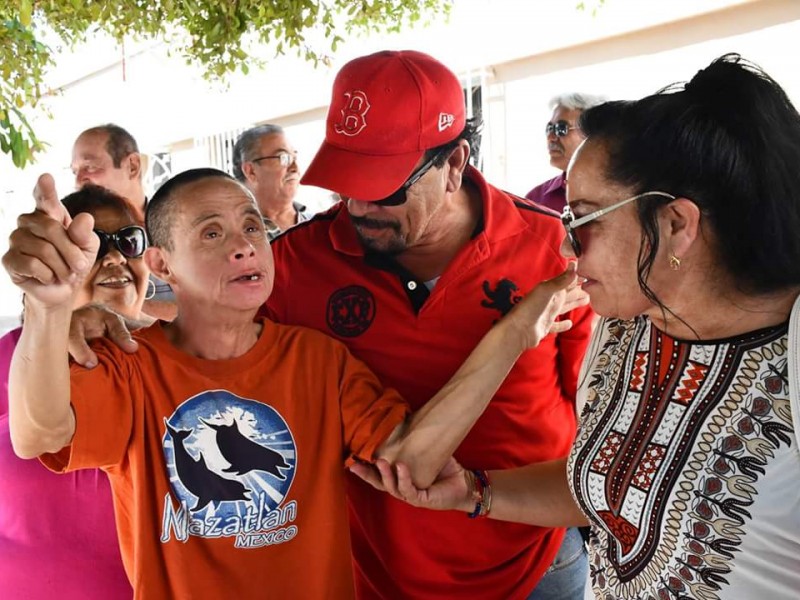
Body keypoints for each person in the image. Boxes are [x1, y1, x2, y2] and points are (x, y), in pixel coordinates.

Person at [4, 168, 586, 599]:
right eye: (211, 233)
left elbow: (415, 462)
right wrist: (50, 308)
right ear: (160, 264)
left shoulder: (318, 361)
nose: (243, 243)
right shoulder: (131, 363)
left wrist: (514, 334)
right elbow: (39, 434)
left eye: (252, 225)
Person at [361, 54, 800, 599]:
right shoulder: (625, 330)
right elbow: (605, 485)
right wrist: (477, 492)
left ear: (675, 223)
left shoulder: (791, 362)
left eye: (585, 219)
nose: (566, 244)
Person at [266, 50, 594, 599]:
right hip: (370, 571)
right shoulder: (293, 264)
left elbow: (590, 406)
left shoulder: (554, 250)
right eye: (347, 182)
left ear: (456, 163)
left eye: (387, 187)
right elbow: (206, 342)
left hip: (535, 561)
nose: (360, 207)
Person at [0, 184, 152, 599]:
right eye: (95, 245)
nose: (116, 256)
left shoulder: (184, 358)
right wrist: (50, 320)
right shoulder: (7, 358)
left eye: (129, 241)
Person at [71, 123, 176, 318]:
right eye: (75, 171)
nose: (79, 180)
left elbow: (217, 307)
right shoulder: (70, 231)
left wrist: (129, 308)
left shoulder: (182, 228)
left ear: (132, 166)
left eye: (90, 167)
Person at [525, 93, 606, 214]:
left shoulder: (623, 193)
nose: (551, 137)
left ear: (593, 135)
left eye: (561, 128)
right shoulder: (536, 200)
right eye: (549, 128)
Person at [232, 124, 307, 240]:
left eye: (294, 158)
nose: (294, 168)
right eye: (283, 157)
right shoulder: (237, 237)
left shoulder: (320, 226)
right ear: (251, 171)